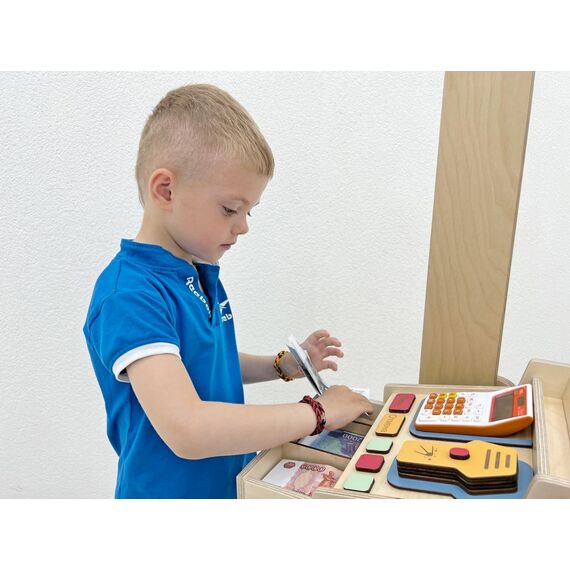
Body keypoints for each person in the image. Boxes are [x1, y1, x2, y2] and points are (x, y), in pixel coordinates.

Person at [83, 83, 373, 499]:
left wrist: (281, 365)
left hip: (230, 487)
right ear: (166, 190)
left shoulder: (196, 272)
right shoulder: (128, 296)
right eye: (230, 209)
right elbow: (188, 429)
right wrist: (318, 412)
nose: (244, 226)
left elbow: (201, 363)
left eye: (249, 211)